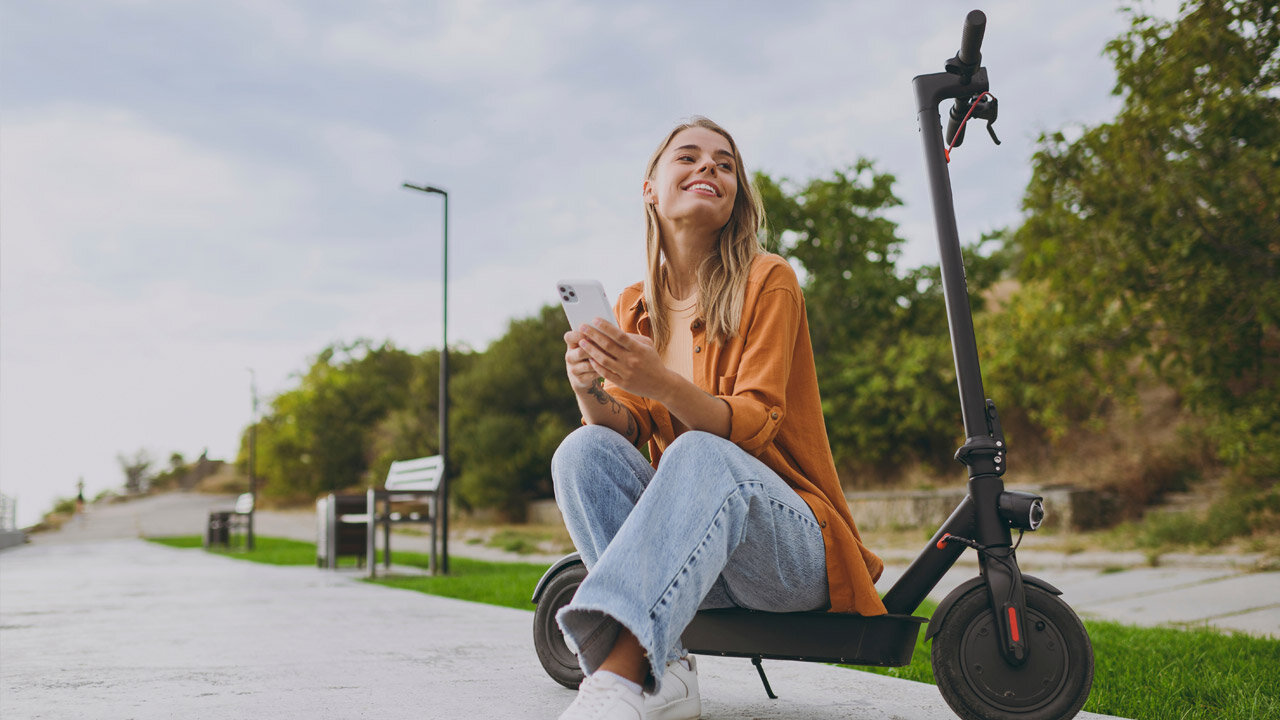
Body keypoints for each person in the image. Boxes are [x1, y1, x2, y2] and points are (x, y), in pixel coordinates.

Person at [553, 116, 886, 720]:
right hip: (692, 552)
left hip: (785, 554)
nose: (709, 167)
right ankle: (670, 673)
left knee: (698, 452)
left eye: (725, 164)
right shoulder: (634, 303)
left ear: (736, 198)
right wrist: (588, 390)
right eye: (688, 157)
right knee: (579, 451)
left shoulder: (769, 279)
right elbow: (624, 426)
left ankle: (620, 676)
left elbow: (756, 424)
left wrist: (662, 382)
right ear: (650, 188)